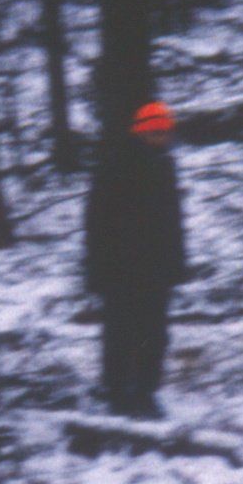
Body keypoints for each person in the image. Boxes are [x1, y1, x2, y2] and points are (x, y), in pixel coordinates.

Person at [85, 101, 188, 419]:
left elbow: (173, 218)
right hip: (120, 267)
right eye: (156, 132)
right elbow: (96, 219)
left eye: (165, 132)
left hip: (155, 268)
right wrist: (97, 268)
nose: (161, 137)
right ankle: (116, 393)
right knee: (120, 332)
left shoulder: (165, 165)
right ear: (141, 131)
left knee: (154, 333)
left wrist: (177, 262)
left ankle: (145, 392)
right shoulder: (115, 164)